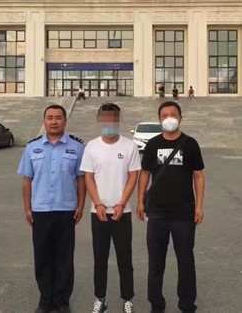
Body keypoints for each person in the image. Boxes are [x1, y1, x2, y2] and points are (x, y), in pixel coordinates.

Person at [137, 101, 205, 313]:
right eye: (164, 115)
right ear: (159, 120)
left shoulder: (190, 144)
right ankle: (156, 304)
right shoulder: (153, 144)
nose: (169, 119)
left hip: (183, 213)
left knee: (186, 261)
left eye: (173, 115)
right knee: (155, 262)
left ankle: (187, 304)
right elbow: (145, 173)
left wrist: (199, 206)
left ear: (180, 118)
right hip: (157, 213)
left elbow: (198, 175)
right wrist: (140, 200)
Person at [17, 104, 86, 313]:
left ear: (65, 121)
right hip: (41, 211)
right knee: (43, 258)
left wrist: (81, 205)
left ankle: (62, 301)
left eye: (58, 117)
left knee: (65, 258)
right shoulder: (32, 147)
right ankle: (46, 300)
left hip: (66, 210)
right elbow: (26, 181)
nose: (54, 121)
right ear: (44, 121)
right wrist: (27, 208)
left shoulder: (77, 147)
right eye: (50, 117)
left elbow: (81, 180)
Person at [80, 103, 141, 313]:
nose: (109, 123)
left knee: (125, 258)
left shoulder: (129, 146)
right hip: (98, 213)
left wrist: (122, 203)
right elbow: (88, 177)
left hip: (121, 212)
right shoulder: (92, 146)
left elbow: (133, 176)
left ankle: (127, 299)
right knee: (100, 259)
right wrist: (97, 203)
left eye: (113, 118)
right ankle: (100, 299)